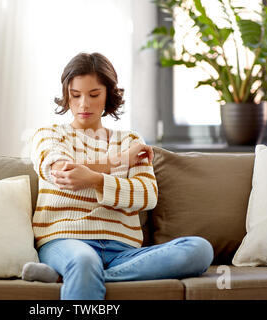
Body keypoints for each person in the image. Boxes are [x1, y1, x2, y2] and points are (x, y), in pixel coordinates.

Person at [23, 52, 214, 300]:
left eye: (93, 95)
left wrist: (94, 179)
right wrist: (120, 161)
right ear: (66, 94)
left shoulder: (131, 141)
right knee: (83, 261)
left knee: (199, 250)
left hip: (122, 250)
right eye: (75, 95)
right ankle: (78, 271)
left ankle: (66, 277)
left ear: (108, 95)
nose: (83, 104)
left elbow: (146, 195)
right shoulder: (48, 134)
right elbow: (62, 171)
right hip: (65, 241)